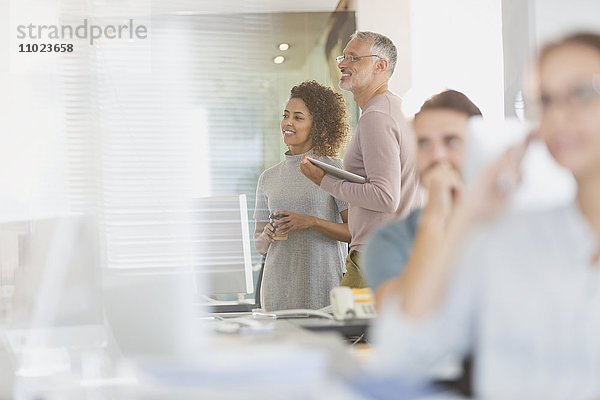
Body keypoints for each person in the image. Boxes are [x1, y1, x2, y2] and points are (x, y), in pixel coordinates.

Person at [371, 32, 600, 398]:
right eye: (546, 100)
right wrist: (466, 216)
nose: (559, 114)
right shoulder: (507, 238)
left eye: (584, 93)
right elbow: (403, 351)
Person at [300, 31, 421, 288]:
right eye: (343, 57)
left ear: (380, 65)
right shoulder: (395, 110)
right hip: (395, 251)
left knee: (344, 328)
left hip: (376, 256)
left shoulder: (377, 117)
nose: (343, 64)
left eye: (354, 58)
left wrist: (323, 181)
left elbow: (386, 197)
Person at [362, 90, 482, 296]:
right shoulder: (390, 239)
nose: (437, 156)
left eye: (451, 141)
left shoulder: (512, 226)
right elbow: (398, 315)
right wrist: (435, 214)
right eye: (424, 143)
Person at [253, 80, 351, 311]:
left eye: (298, 117)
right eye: (286, 115)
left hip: (324, 287)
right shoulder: (268, 177)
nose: (288, 123)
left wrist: (311, 222)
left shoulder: (334, 170)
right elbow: (258, 245)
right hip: (277, 289)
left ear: (317, 125)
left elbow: (354, 232)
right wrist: (265, 235)